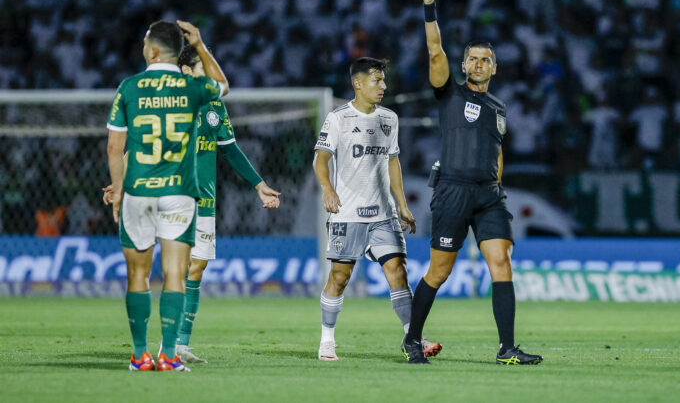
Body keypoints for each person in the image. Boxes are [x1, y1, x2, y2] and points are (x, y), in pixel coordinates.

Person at [103, 43, 282, 364]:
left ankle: (179, 345)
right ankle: (156, 347)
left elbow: (230, 149)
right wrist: (119, 182)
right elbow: (140, 143)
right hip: (165, 191)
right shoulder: (169, 101)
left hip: (204, 196)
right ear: (185, 71)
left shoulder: (213, 105)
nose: (209, 76)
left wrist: (259, 184)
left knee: (196, 268)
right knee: (167, 269)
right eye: (203, 68)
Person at [401, 0, 543, 365]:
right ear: (464, 65)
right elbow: (434, 52)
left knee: (502, 262)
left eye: (486, 59)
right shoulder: (450, 91)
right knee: (440, 271)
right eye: (473, 59)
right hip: (453, 190)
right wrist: (430, 8)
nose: (479, 64)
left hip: (489, 194)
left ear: (494, 68)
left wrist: (498, 185)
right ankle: (412, 339)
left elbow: (497, 151)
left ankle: (507, 348)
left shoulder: (498, 107)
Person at [106, 20, 228, 372]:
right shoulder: (191, 86)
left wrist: (117, 189)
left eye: (146, 41)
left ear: (153, 50)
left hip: (139, 191)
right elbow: (222, 86)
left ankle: (141, 354)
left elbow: (116, 147)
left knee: (138, 275)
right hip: (179, 193)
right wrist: (201, 45)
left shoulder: (129, 87)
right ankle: (170, 355)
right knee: (176, 274)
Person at [313, 57, 441, 361]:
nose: (383, 86)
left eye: (383, 80)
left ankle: (413, 338)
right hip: (348, 213)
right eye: (376, 80)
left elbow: (392, 161)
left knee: (398, 271)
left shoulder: (389, 119)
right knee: (340, 277)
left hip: (384, 215)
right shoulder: (338, 118)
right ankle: (327, 339)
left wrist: (402, 205)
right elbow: (320, 158)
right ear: (358, 84)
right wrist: (328, 189)